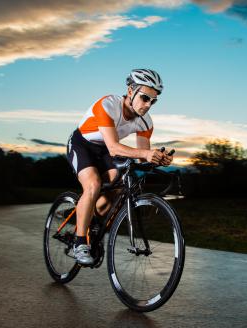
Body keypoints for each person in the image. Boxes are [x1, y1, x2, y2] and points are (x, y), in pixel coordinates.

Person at [66, 68, 173, 265]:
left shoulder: (146, 122)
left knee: (117, 187)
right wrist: (146, 154)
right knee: (93, 185)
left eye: (153, 101)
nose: (148, 105)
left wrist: (159, 159)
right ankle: (79, 243)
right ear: (130, 91)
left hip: (106, 151)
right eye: (145, 98)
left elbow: (143, 159)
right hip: (82, 145)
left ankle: (90, 224)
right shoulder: (107, 105)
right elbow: (115, 148)